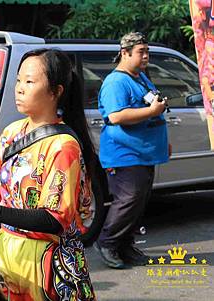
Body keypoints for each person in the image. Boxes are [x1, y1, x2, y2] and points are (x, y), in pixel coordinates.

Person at [0, 49, 96, 300]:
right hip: (5, 252)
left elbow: (53, 219)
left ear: (55, 91)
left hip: (44, 263)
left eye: (29, 81)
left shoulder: (63, 146)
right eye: (18, 80)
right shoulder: (12, 132)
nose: (19, 88)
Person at [94, 32, 169, 269]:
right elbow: (117, 116)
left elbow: (152, 106)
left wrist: (161, 139)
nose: (146, 56)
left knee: (138, 202)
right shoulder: (116, 82)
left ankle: (125, 246)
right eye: (141, 52)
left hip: (144, 153)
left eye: (147, 51)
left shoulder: (140, 78)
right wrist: (152, 112)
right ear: (125, 53)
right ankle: (107, 242)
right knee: (128, 200)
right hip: (124, 154)